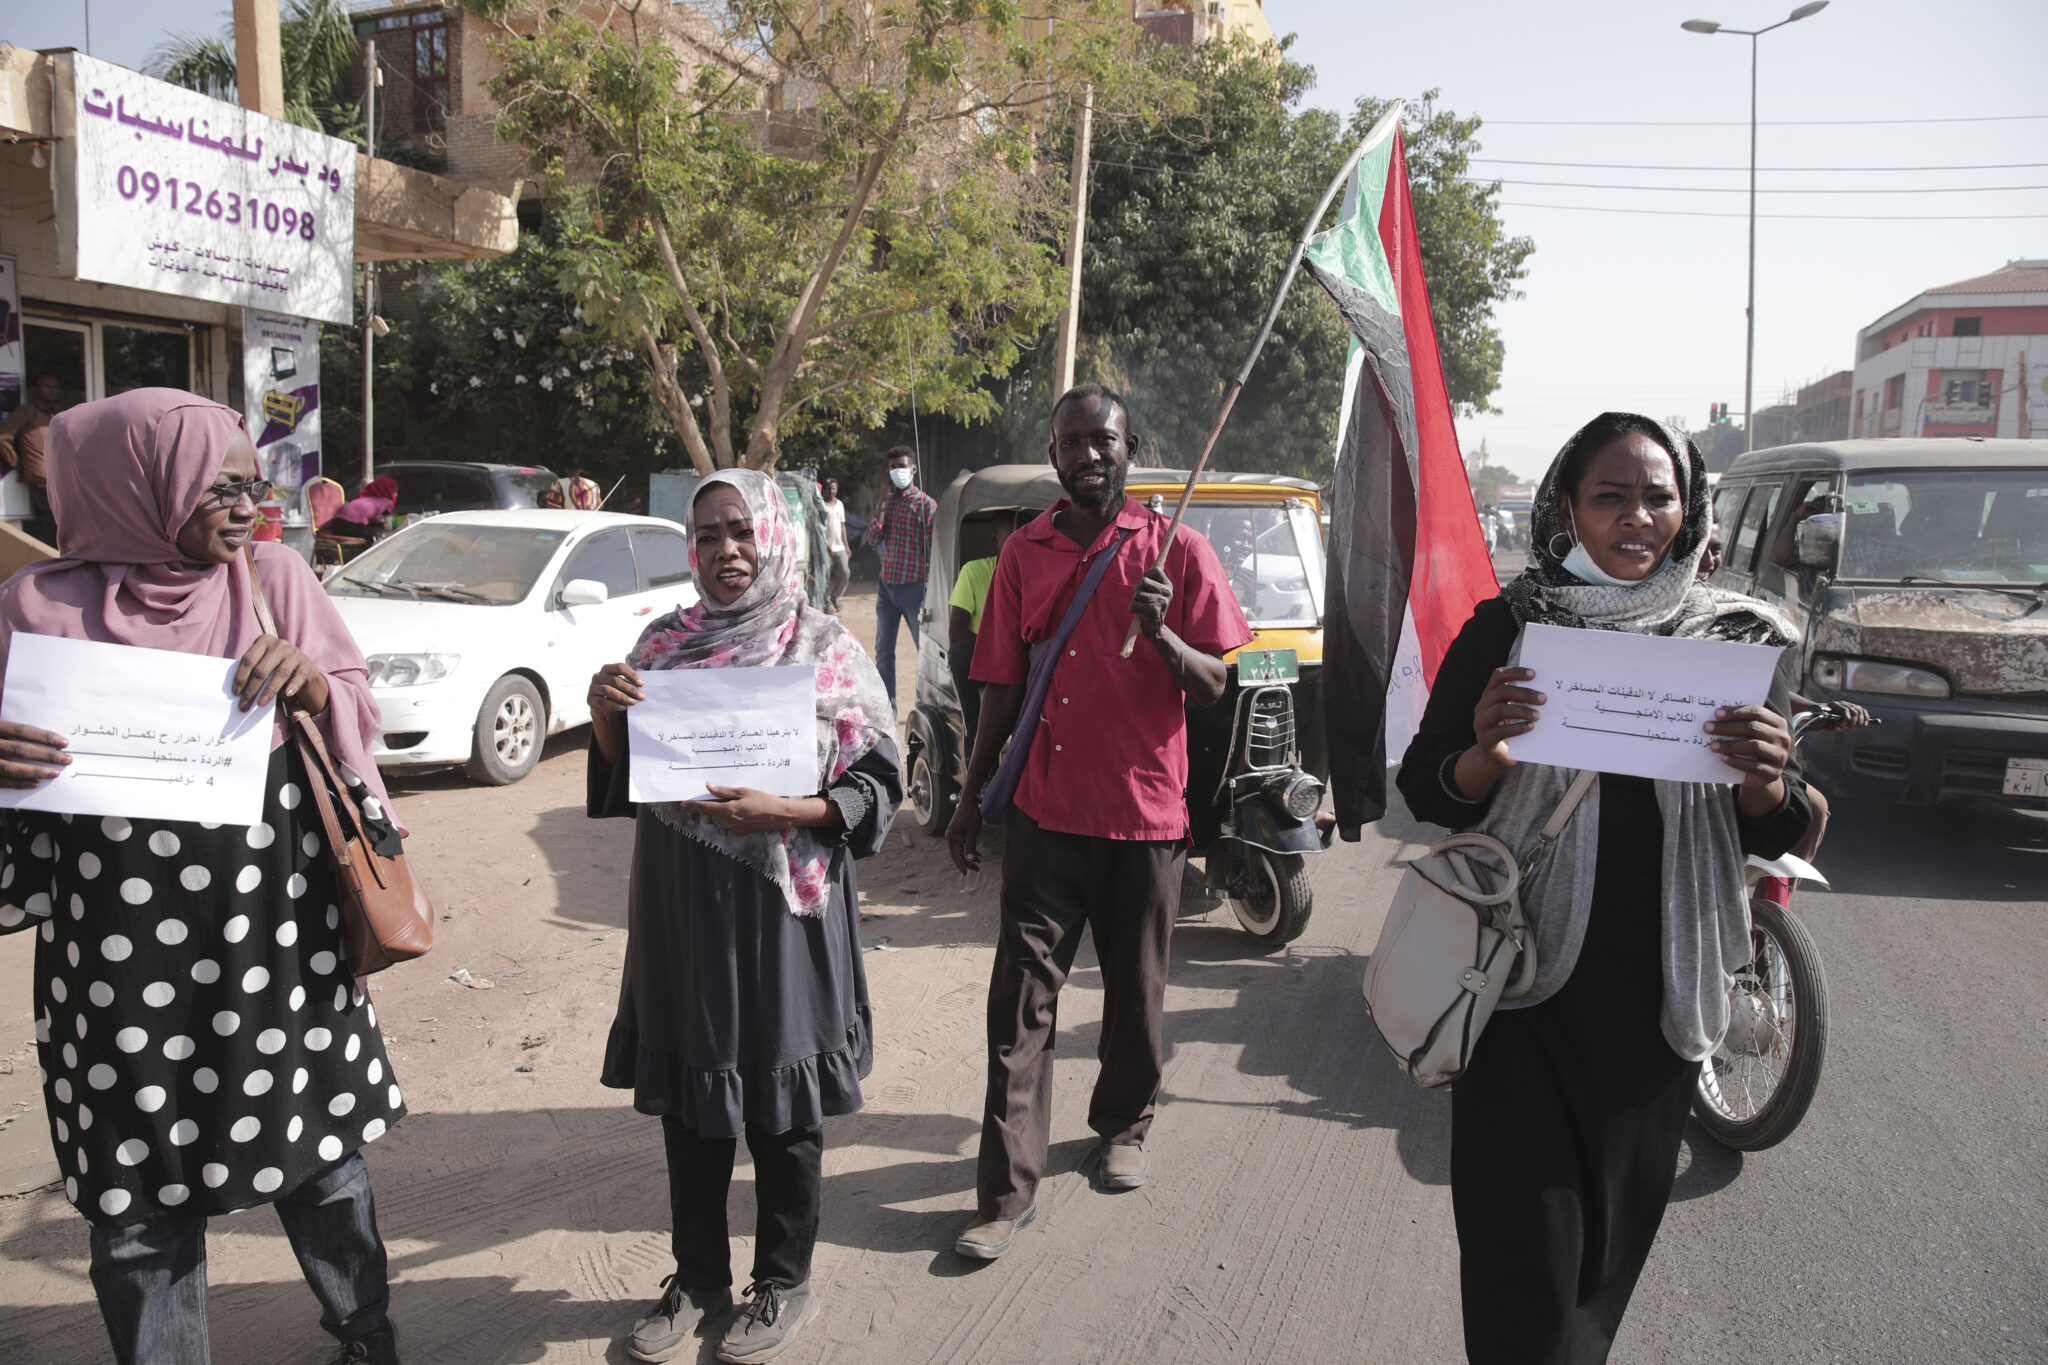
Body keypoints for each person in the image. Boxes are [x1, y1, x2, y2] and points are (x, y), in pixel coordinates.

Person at [0, 389, 407, 1364]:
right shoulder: (36, 608)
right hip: (116, 964)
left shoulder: (272, 578)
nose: (247, 506)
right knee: (137, 1201)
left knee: (320, 1163)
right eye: (218, 486)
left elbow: (356, 702)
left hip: (276, 936)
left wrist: (311, 683)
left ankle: (366, 1333)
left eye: (252, 484)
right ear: (134, 485)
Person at [1397, 412, 1811, 1364]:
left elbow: (1777, 827)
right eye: (1609, 496)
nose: (1637, 517)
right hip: (1519, 995)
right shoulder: (1511, 626)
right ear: (1568, 509)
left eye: (1658, 497)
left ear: (1689, 510)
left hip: (1661, 1007)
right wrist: (1485, 753)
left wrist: (1765, 778)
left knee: (1599, 1277)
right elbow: (1427, 786)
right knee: (1523, 1275)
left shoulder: (1734, 637)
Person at [584, 469, 900, 1365]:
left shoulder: (821, 645)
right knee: (693, 1098)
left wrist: (786, 811)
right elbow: (625, 777)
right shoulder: (661, 645)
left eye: (740, 531)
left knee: (784, 1102)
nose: (725, 550)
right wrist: (604, 713)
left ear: (775, 534)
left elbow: (877, 787)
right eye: (708, 535)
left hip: (785, 913)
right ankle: (699, 1277)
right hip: (682, 907)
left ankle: (784, 1279)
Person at [945, 384, 1251, 1259]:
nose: (1087, 455)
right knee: (1020, 1002)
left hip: (1144, 813)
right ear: (1054, 455)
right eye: (1072, 442)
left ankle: (1124, 1125)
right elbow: (1000, 684)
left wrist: (1162, 634)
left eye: (1102, 440)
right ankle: (1005, 1193)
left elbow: (1217, 683)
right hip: (1044, 814)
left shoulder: (1177, 548)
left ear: (1130, 448)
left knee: (1135, 992)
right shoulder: (1022, 554)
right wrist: (970, 794)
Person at [1698, 511, 1869, 865]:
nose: (1708, 561)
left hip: (1728, 756)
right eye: (1697, 549)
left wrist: (1818, 710)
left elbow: (1764, 692)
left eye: (1715, 549)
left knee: (1809, 809)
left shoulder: (1740, 625)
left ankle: (1772, 899)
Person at [860, 447, 935, 711]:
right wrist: (882, 499)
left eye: (901, 466)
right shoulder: (888, 504)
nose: (897, 471)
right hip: (887, 589)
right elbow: (872, 539)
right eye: (892, 467)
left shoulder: (926, 505)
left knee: (925, 651)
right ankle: (888, 711)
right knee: (883, 652)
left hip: (915, 589)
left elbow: (934, 550)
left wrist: (929, 587)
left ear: (913, 469)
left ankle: (930, 707)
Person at [946, 507, 1023, 753]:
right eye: (1011, 538)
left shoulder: (1035, 574)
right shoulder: (974, 571)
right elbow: (957, 632)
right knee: (959, 655)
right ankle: (974, 732)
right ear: (994, 540)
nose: (1018, 546)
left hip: (1022, 658)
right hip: (986, 655)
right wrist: (1001, 648)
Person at [0, 371, 68, 546]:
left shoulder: (59, 412)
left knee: (65, 523)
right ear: (35, 389)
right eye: (47, 386)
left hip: (63, 476)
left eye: (55, 387)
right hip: (41, 477)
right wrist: (18, 464)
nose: (52, 390)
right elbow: (4, 438)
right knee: (53, 524)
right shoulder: (27, 411)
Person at [322, 476, 400, 542]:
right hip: (351, 526)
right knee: (380, 533)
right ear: (386, 490)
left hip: (336, 525)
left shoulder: (364, 498)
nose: (396, 495)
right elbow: (388, 522)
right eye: (394, 491)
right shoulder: (387, 502)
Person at [819, 479, 850, 616]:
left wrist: (846, 546)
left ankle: (836, 596)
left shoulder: (840, 505)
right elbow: (818, 528)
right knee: (826, 576)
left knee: (845, 572)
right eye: (829, 489)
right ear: (824, 489)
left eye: (834, 489)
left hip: (839, 546)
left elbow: (842, 526)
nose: (831, 491)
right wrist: (825, 544)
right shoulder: (820, 505)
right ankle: (826, 603)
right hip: (825, 548)